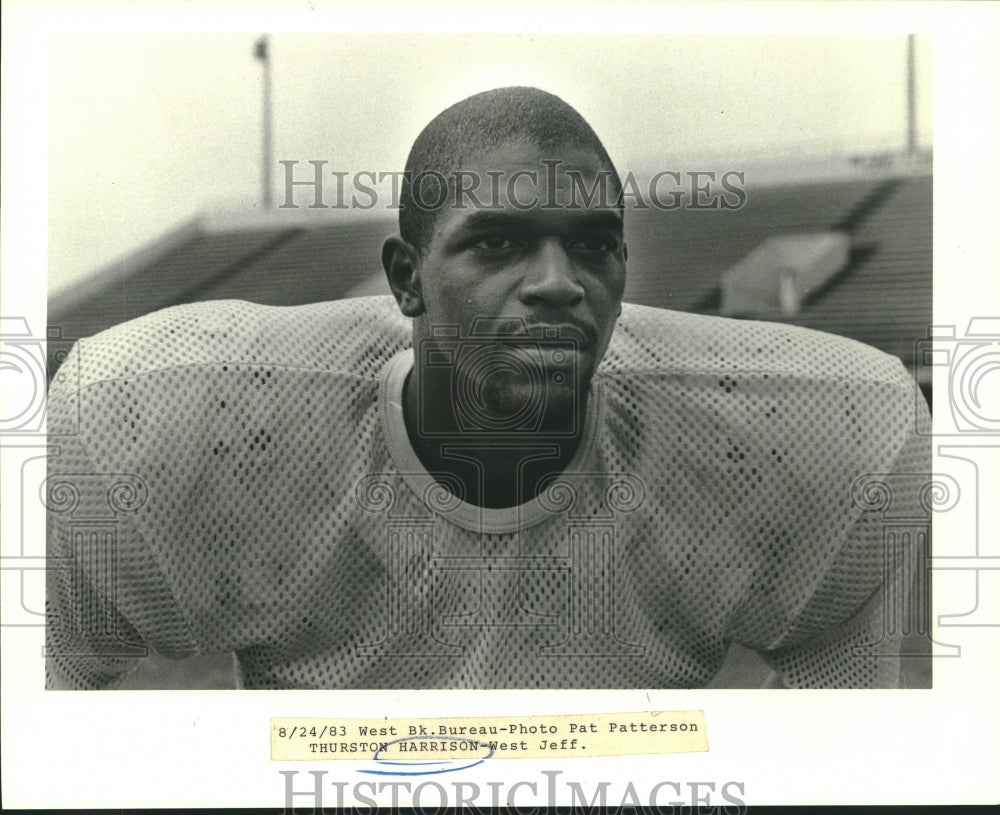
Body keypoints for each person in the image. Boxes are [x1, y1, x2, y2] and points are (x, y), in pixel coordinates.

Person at [45, 86, 930, 690]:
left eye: (593, 244)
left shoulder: (825, 430)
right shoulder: (165, 410)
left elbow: (849, 747)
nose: (558, 281)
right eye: (497, 242)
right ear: (406, 278)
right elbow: (37, 727)